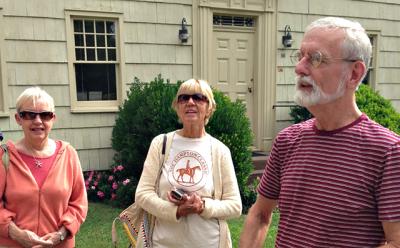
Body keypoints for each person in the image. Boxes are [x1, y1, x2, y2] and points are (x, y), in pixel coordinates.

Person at [240, 17, 400, 248]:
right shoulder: (287, 140)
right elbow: (259, 215)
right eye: (300, 56)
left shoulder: (388, 151)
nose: (299, 68)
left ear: (354, 74)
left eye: (316, 58)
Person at [135, 79, 242, 247]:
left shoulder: (220, 151)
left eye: (198, 97)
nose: (190, 102)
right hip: (163, 244)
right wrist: (175, 210)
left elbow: (235, 206)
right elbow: (142, 194)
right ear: (177, 108)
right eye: (183, 98)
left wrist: (202, 206)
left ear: (209, 108)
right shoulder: (160, 144)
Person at [0, 87, 88, 247]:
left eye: (45, 115)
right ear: (18, 118)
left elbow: (79, 204)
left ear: (53, 118)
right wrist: (17, 234)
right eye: (29, 115)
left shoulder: (68, 154)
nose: (38, 121)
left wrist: (60, 235)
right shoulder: (3, 156)